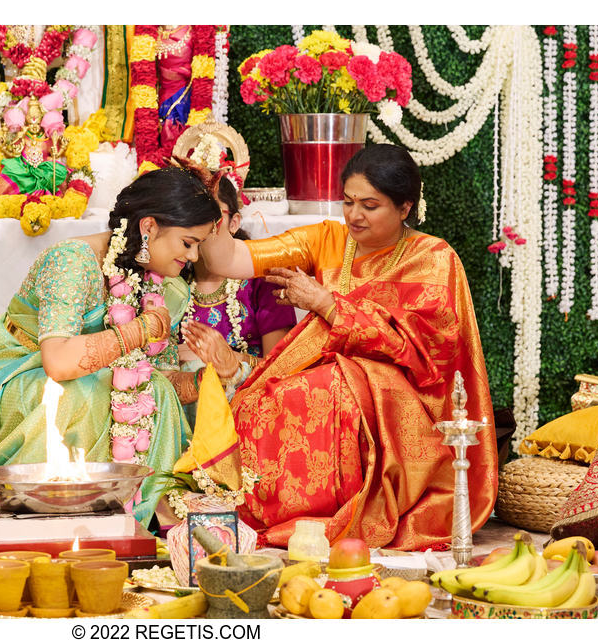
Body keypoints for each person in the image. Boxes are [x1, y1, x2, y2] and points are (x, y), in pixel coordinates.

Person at [0, 164, 242, 546]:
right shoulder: (73, 262)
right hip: (11, 376)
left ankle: (140, 520)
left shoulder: (168, 287)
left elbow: (155, 375)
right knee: (80, 395)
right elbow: (57, 362)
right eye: (187, 242)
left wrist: (211, 378)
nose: (192, 257)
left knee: (153, 390)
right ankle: (51, 518)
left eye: (197, 246)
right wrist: (139, 329)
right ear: (150, 227)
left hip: (83, 382)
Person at [200, 144, 498, 549]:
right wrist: (205, 204)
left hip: (406, 400)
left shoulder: (434, 259)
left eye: (370, 205)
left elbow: (430, 356)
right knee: (261, 399)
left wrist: (324, 304)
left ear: (405, 208)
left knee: (333, 387)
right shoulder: (328, 239)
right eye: (348, 201)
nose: (354, 215)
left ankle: (343, 510)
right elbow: (229, 260)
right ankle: (278, 511)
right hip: (331, 374)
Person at [179, 175, 296, 369]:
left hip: (252, 394)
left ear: (234, 223)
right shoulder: (171, 280)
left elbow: (281, 368)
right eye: (190, 214)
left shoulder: (264, 281)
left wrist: (227, 359)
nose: (199, 225)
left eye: (211, 215)